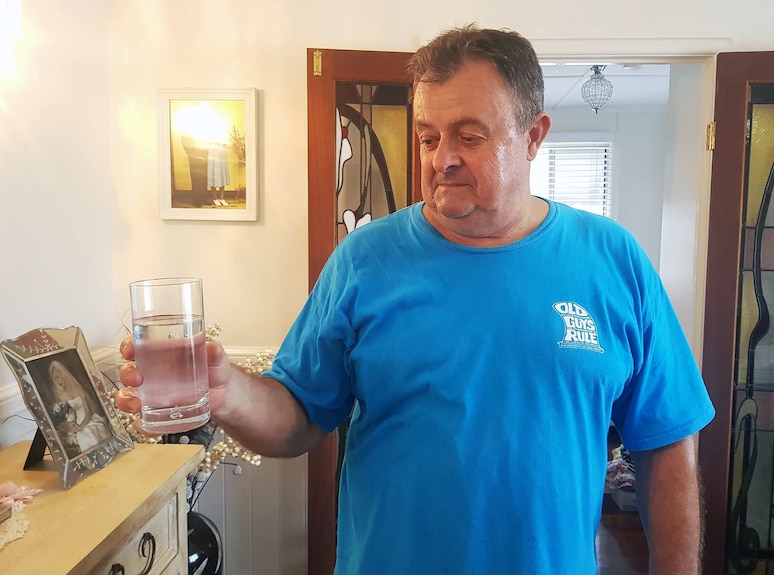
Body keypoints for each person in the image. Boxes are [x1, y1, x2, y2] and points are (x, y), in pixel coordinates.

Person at [117, 24, 715, 574]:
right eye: (429, 136)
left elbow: (666, 444)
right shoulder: (363, 260)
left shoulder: (615, 261)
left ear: (533, 136)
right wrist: (230, 393)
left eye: (469, 136)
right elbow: (298, 418)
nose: (440, 158)